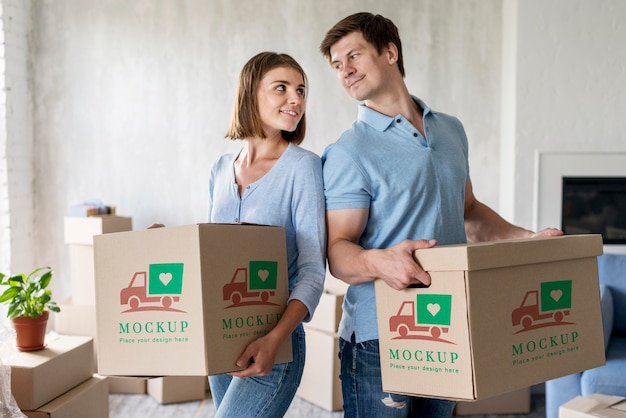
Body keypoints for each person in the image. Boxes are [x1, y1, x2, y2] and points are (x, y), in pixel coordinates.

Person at [318, 12, 562, 418]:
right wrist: (382, 261)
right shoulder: (349, 151)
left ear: (390, 52)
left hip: (447, 322)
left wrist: (527, 239)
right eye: (337, 66)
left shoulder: (451, 130)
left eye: (354, 56)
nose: (346, 71)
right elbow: (338, 250)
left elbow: (468, 210)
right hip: (381, 335)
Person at [206, 51, 326, 417]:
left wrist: (276, 339)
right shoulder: (221, 169)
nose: (296, 99)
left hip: (275, 341)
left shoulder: (303, 168)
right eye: (282, 88)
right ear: (251, 94)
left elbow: (311, 272)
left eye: (301, 90)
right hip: (220, 335)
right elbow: (211, 259)